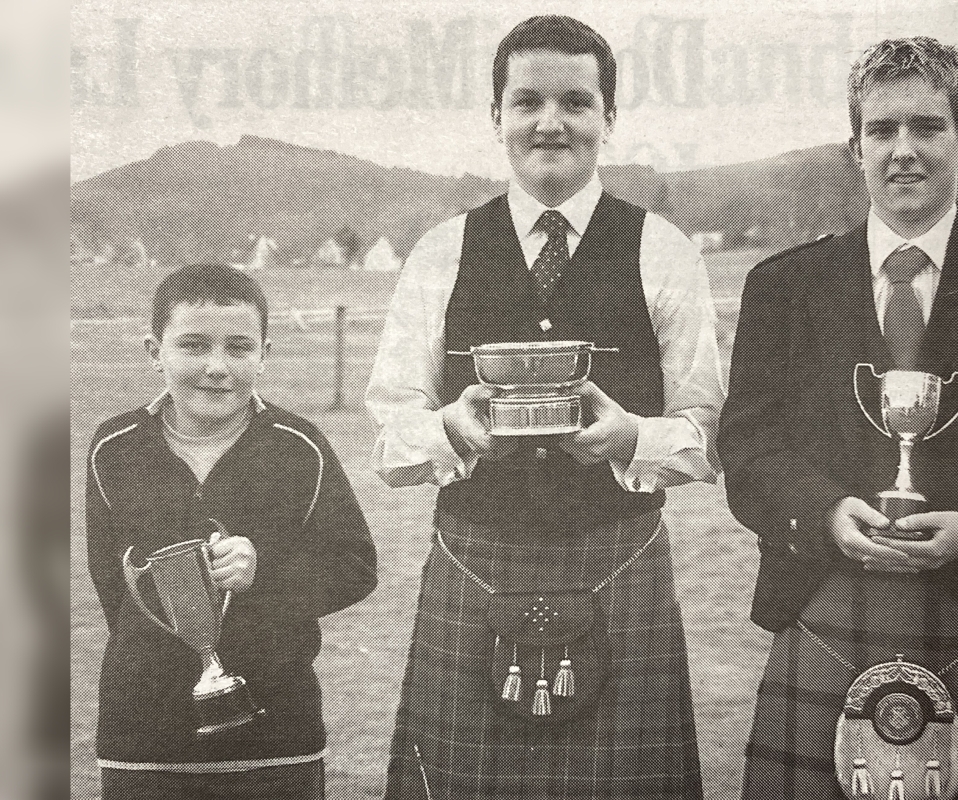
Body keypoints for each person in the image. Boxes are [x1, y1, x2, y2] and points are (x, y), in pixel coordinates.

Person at [718, 37, 958, 800]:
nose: (903, 151)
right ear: (852, 146)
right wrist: (824, 514)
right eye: (881, 130)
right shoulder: (783, 286)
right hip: (821, 605)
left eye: (927, 127)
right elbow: (749, 449)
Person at [366, 15, 724, 800]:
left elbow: (704, 432)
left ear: (608, 118)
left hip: (619, 564)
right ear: (496, 117)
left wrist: (630, 436)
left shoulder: (663, 248)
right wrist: (451, 433)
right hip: (475, 565)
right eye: (526, 100)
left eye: (575, 101)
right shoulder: (441, 251)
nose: (550, 122)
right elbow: (392, 432)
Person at [86, 263, 378, 800]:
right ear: (155, 351)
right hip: (143, 733)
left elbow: (355, 569)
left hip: (276, 731)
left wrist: (263, 573)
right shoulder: (115, 447)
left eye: (239, 348)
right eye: (194, 346)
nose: (217, 367)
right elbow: (113, 584)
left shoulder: (300, 446)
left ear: (265, 353)